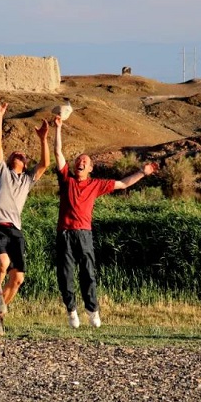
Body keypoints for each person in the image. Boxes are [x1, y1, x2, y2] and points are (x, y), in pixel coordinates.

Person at [53, 115, 157, 328]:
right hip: (65, 233)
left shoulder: (96, 185)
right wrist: (58, 128)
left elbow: (123, 184)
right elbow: (57, 152)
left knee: (88, 273)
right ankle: (72, 310)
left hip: (84, 233)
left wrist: (142, 173)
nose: (81, 162)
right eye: (79, 160)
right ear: (74, 166)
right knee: (66, 275)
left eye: (85, 162)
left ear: (90, 168)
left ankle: (92, 310)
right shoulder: (66, 180)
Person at [0, 96, 50, 335]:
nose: (18, 154)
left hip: (15, 229)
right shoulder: (0, 172)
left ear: (25, 162)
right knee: (3, 263)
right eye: (15, 154)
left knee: (18, 278)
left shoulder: (27, 181)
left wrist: (43, 139)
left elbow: (44, 164)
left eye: (21, 155)